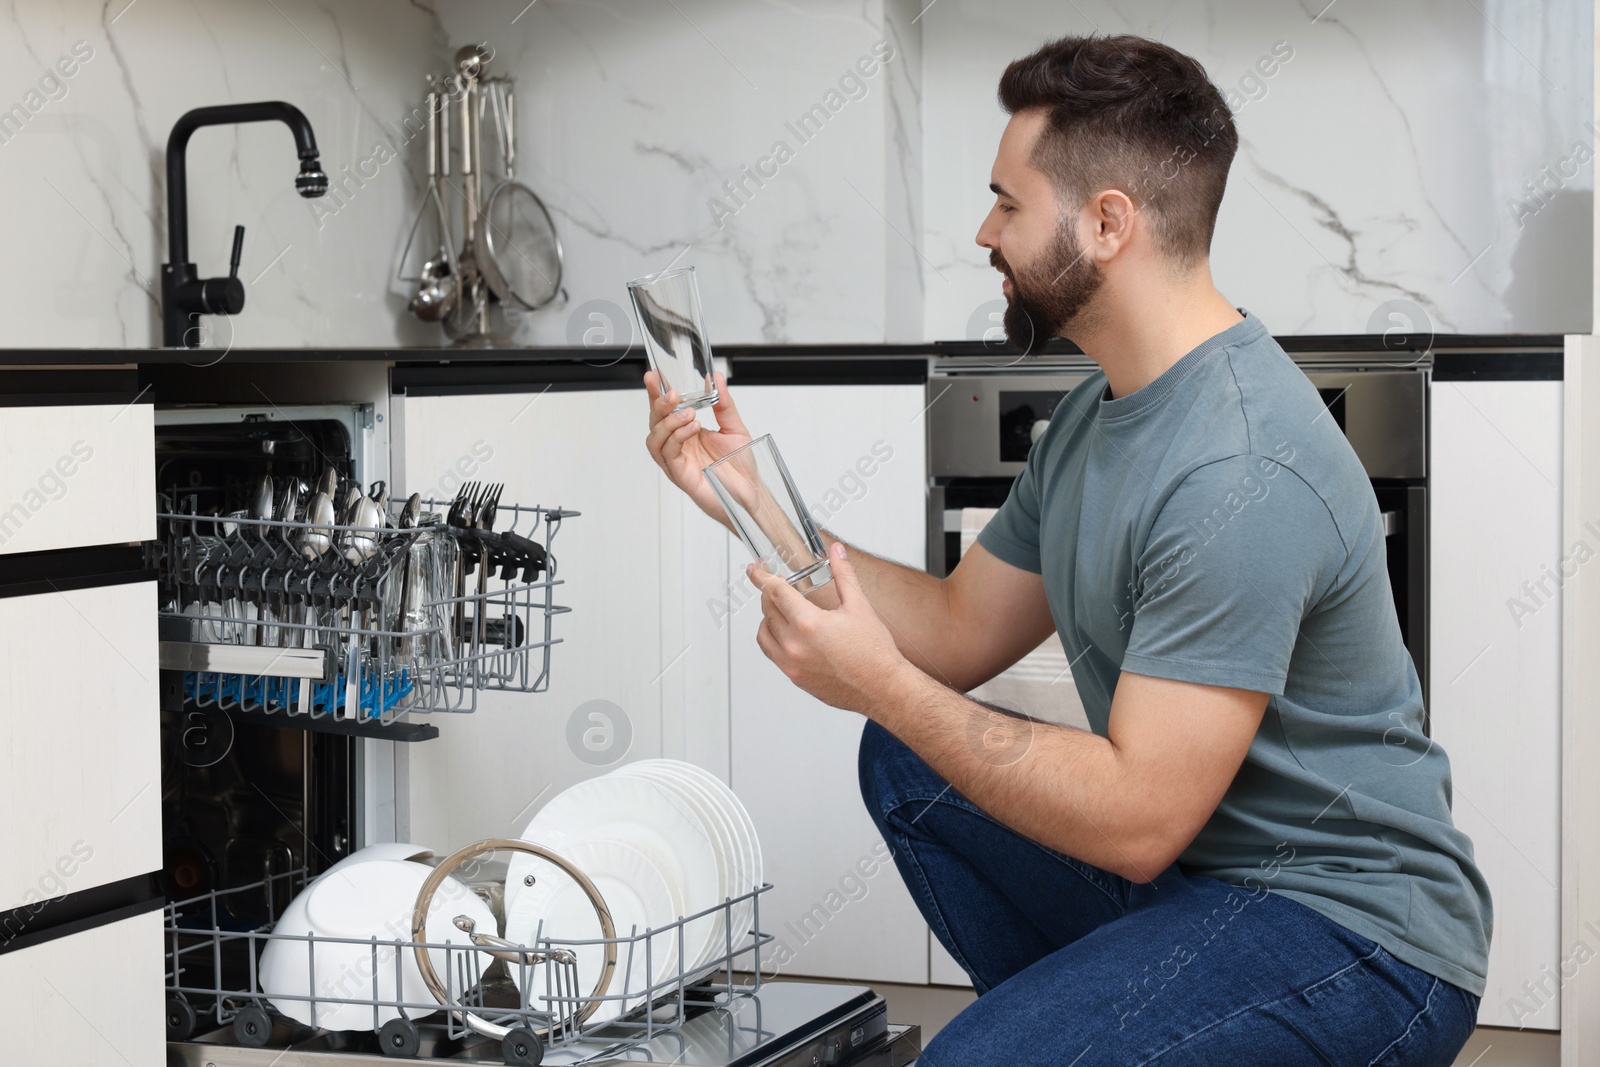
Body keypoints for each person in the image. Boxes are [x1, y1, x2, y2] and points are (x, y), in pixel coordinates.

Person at [643, 32, 1490, 1066]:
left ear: (1106, 223)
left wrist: (877, 681)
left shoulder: (1241, 460)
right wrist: (746, 498)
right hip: (1203, 887)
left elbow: (1138, 818)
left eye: (1006, 201)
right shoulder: (1096, 416)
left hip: (1357, 937)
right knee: (909, 761)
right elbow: (956, 633)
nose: (982, 231)